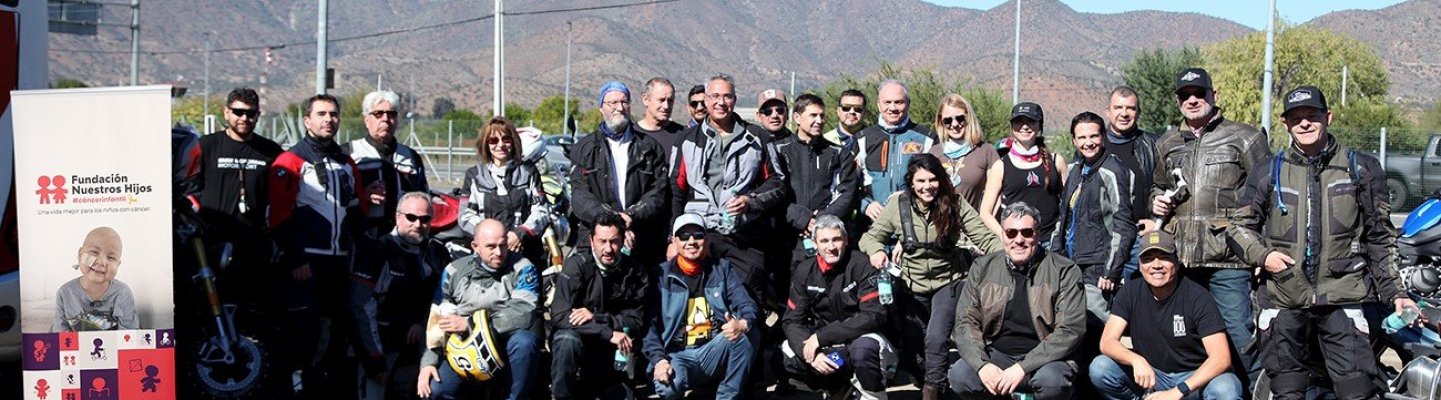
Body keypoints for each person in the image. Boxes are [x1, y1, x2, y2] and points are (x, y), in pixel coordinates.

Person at [1228, 86, 1412, 400]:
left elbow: (1381, 237)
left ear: (1328, 117)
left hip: (1344, 297)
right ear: (1285, 124)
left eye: (1312, 116)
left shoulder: (1361, 169)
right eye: (1295, 118)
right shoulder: (1268, 171)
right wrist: (1263, 256)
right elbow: (1238, 228)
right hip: (1283, 297)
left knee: (1358, 391)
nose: (1304, 123)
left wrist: (1397, 293)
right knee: (1287, 392)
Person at [1151, 68, 1269, 385]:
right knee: (1187, 336)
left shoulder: (1246, 138)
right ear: (1178, 101)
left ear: (1213, 95)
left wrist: (1262, 252)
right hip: (1181, 260)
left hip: (1230, 259)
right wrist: (1156, 201)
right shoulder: (1167, 143)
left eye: (1199, 93)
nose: (1192, 100)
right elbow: (1157, 186)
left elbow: (1267, 197)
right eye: (1185, 95)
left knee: (1239, 335)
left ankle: (1257, 391)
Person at [859, 154, 1000, 400]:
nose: (928, 186)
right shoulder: (898, 205)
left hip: (949, 282)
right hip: (911, 286)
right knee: (915, 347)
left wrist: (1009, 257)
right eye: (921, 181)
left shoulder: (955, 203)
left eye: (933, 180)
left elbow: (985, 238)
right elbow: (870, 237)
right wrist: (877, 250)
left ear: (941, 179)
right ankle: (929, 380)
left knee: (936, 338)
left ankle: (932, 391)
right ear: (911, 183)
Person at [269, 93, 371, 397]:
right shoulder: (290, 160)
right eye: (322, 114)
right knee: (302, 331)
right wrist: (296, 259)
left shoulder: (346, 162)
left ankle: (324, 388)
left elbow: (357, 209)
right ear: (307, 120)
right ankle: (292, 389)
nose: (329, 119)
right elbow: (278, 216)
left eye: (334, 114)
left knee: (336, 332)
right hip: (306, 262)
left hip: (339, 262)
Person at [668, 73, 788, 306]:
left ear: (734, 99)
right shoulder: (686, 140)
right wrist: (673, 239)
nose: (720, 102)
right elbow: (676, 191)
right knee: (699, 303)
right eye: (714, 96)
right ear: (705, 99)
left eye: (727, 96)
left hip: (744, 234)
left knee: (747, 301)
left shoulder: (758, 137)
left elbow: (778, 182)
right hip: (700, 234)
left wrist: (750, 201)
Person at [948, 202, 1085, 400]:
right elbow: (965, 322)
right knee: (961, 376)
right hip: (998, 354)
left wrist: (1023, 367)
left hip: (1046, 358)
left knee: (1052, 382)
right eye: (1011, 233)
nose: (1018, 240)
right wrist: (982, 364)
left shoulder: (1064, 270)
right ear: (1003, 235)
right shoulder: (982, 268)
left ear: (1038, 234)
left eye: (1027, 233)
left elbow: (1070, 330)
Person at [1090, 231, 1242, 400]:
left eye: (1164, 258)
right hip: (1152, 375)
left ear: (1176, 262)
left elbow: (1221, 358)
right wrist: (1135, 360)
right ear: (1140, 265)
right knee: (1101, 367)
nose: (1156, 265)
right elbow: (1107, 342)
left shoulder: (1198, 297)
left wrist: (1177, 392)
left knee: (1226, 389)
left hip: (1194, 378)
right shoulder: (1130, 292)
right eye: (1148, 259)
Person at [416, 219, 541, 400]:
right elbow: (437, 321)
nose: (499, 252)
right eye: (491, 247)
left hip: (505, 343)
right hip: (464, 348)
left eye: (503, 245)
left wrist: (471, 324)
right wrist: (428, 363)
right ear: (475, 246)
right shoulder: (453, 271)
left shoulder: (524, 268)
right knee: (435, 390)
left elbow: (523, 313)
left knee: (525, 342)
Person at [642, 214, 760, 400]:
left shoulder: (722, 269)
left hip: (713, 348)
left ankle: (727, 396)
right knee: (668, 389)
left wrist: (742, 323)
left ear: (706, 239)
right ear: (674, 241)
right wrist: (659, 360)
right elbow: (649, 326)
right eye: (684, 236)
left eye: (697, 235)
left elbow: (746, 304)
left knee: (748, 334)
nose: (691, 241)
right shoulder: (660, 275)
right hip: (678, 352)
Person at [348, 192, 452, 399]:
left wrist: (421, 322)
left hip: (420, 344)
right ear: (397, 216)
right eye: (411, 217)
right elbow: (360, 309)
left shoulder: (437, 252)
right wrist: (375, 360)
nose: (418, 224)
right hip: (379, 346)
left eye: (425, 219)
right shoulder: (377, 251)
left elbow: (444, 300)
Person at [782, 215, 894, 400]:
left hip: (863, 340)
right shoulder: (804, 270)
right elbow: (791, 321)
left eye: (836, 239)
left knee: (864, 352)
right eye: (824, 241)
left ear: (846, 240)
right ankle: (838, 390)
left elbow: (874, 315)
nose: (831, 247)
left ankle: (873, 395)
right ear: (815, 243)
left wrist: (821, 336)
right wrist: (811, 353)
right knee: (786, 354)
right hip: (829, 347)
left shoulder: (863, 264)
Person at [549, 212, 652, 399]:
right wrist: (607, 332)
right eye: (602, 241)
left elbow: (635, 320)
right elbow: (559, 315)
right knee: (566, 340)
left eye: (614, 241)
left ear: (623, 241)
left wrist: (597, 318)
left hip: (615, 347)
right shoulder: (576, 266)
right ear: (591, 241)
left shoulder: (636, 272)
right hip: (582, 341)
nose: (608, 249)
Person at [570, 81, 671, 266]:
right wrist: (613, 223)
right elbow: (579, 195)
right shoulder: (584, 148)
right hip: (596, 242)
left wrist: (631, 216)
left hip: (642, 240)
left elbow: (658, 193)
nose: (620, 108)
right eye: (613, 103)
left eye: (624, 102)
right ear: (601, 108)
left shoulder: (650, 148)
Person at [1050, 112, 1134, 322]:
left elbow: (1124, 225)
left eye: (1094, 136)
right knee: (1069, 323)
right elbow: (1063, 218)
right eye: (1082, 137)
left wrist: (1111, 270)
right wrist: (1054, 257)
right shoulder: (1075, 170)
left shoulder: (1112, 172)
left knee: (1096, 324)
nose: (1088, 143)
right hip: (1070, 263)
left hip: (1097, 267)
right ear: (1073, 140)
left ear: (1103, 136)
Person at [458, 117, 552, 269]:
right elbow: (465, 216)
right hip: (489, 257)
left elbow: (542, 210)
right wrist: (494, 238)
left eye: (506, 139)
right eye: (493, 140)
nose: (500, 145)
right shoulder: (474, 175)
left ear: (514, 142)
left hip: (525, 253)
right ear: (486, 144)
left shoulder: (528, 172)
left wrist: (520, 233)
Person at [774, 93, 860, 250]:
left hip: (827, 238)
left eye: (822, 116)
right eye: (813, 115)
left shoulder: (839, 153)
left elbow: (847, 193)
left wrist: (819, 221)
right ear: (797, 117)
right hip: (786, 236)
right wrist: (802, 218)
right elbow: (774, 192)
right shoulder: (778, 151)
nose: (819, 121)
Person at [978, 102, 1067, 245]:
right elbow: (985, 212)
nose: (1024, 126)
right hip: (1018, 244)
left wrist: (1062, 234)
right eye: (1019, 121)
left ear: (1040, 126)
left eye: (1031, 121)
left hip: (1051, 243)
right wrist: (1005, 235)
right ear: (1012, 127)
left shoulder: (1056, 161)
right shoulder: (1001, 166)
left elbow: (1069, 204)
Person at [344, 90, 430, 235]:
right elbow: (334, 201)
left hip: (403, 238)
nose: (385, 119)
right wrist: (362, 196)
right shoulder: (348, 153)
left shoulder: (411, 157)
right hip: (360, 236)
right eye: (378, 113)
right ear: (366, 120)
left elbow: (424, 198)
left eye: (391, 114)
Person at [857, 80, 936, 223]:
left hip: (914, 221)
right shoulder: (862, 139)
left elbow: (935, 181)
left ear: (908, 104)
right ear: (878, 105)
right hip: (872, 224)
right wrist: (865, 205)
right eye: (887, 102)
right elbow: (849, 183)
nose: (892, 108)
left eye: (899, 102)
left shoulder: (927, 138)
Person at [1103, 86, 1161, 279]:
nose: (1124, 113)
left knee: (1139, 293)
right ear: (1108, 111)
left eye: (1130, 108)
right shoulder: (1094, 145)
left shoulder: (1153, 145)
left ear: (1138, 112)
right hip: (1103, 238)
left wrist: (1157, 222)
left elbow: (1166, 188)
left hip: (1141, 238)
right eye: (1118, 107)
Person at [54, 227, 137, 332]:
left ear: (118, 264)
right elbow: (60, 332)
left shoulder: (123, 293)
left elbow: (129, 333)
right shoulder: (65, 292)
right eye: (94, 252)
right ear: (80, 255)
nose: (101, 262)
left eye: (111, 258)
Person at [927, 93, 999, 209]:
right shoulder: (933, 153)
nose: (955, 124)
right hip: (939, 219)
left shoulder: (986, 151)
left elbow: (997, 196)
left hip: (973, 219)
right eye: (948, 120)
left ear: (969, 117)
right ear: (941, 122)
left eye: (960, 118)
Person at [633, 77, 687, 152]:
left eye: (670, 101)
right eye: (661, 100)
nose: (666, 106)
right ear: (646, 100)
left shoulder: (683, 135)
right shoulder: (630, 135)